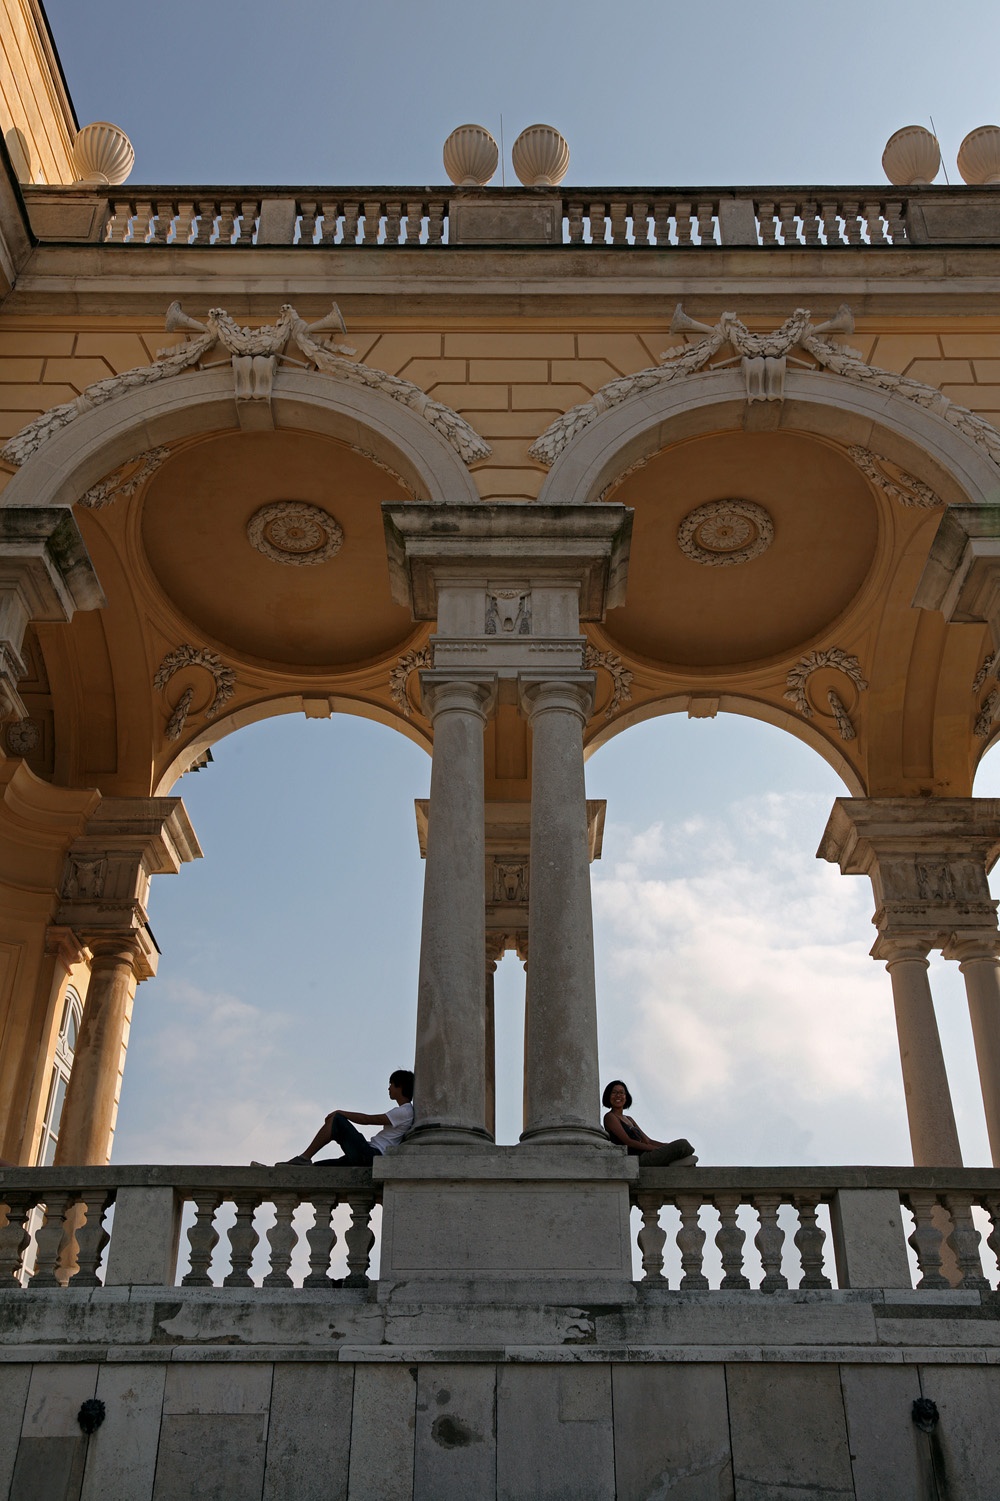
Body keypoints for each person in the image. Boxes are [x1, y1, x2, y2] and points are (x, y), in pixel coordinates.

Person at [279, 1069, 414, 1167]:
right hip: (369, 1153)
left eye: (391, 1084)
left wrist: (341, 1113)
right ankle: (303, 1163)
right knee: (321, 1167)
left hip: (371, 1155)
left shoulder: (405, 1111)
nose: (388, 1088)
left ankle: (304, 1158)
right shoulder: (404, 1111)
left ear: (400, 1086)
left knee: (337, 1120)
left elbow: (367, 1120)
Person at [602, 1079, 697, 1166]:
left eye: (621, 1093)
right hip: (638, 1158)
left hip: (648, 1153)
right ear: (608, 1096)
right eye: (614, 1092)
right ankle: (673, 1163)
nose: (618, 1095)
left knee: (682, 1146)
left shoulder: (629, 1119)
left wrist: (666, 1146)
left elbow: (648, 1141)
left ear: (626, 1097)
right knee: (682, 1145)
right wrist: (656, 1150)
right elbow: (628, 1142)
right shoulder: (610, 1117)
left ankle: (674, 1163)